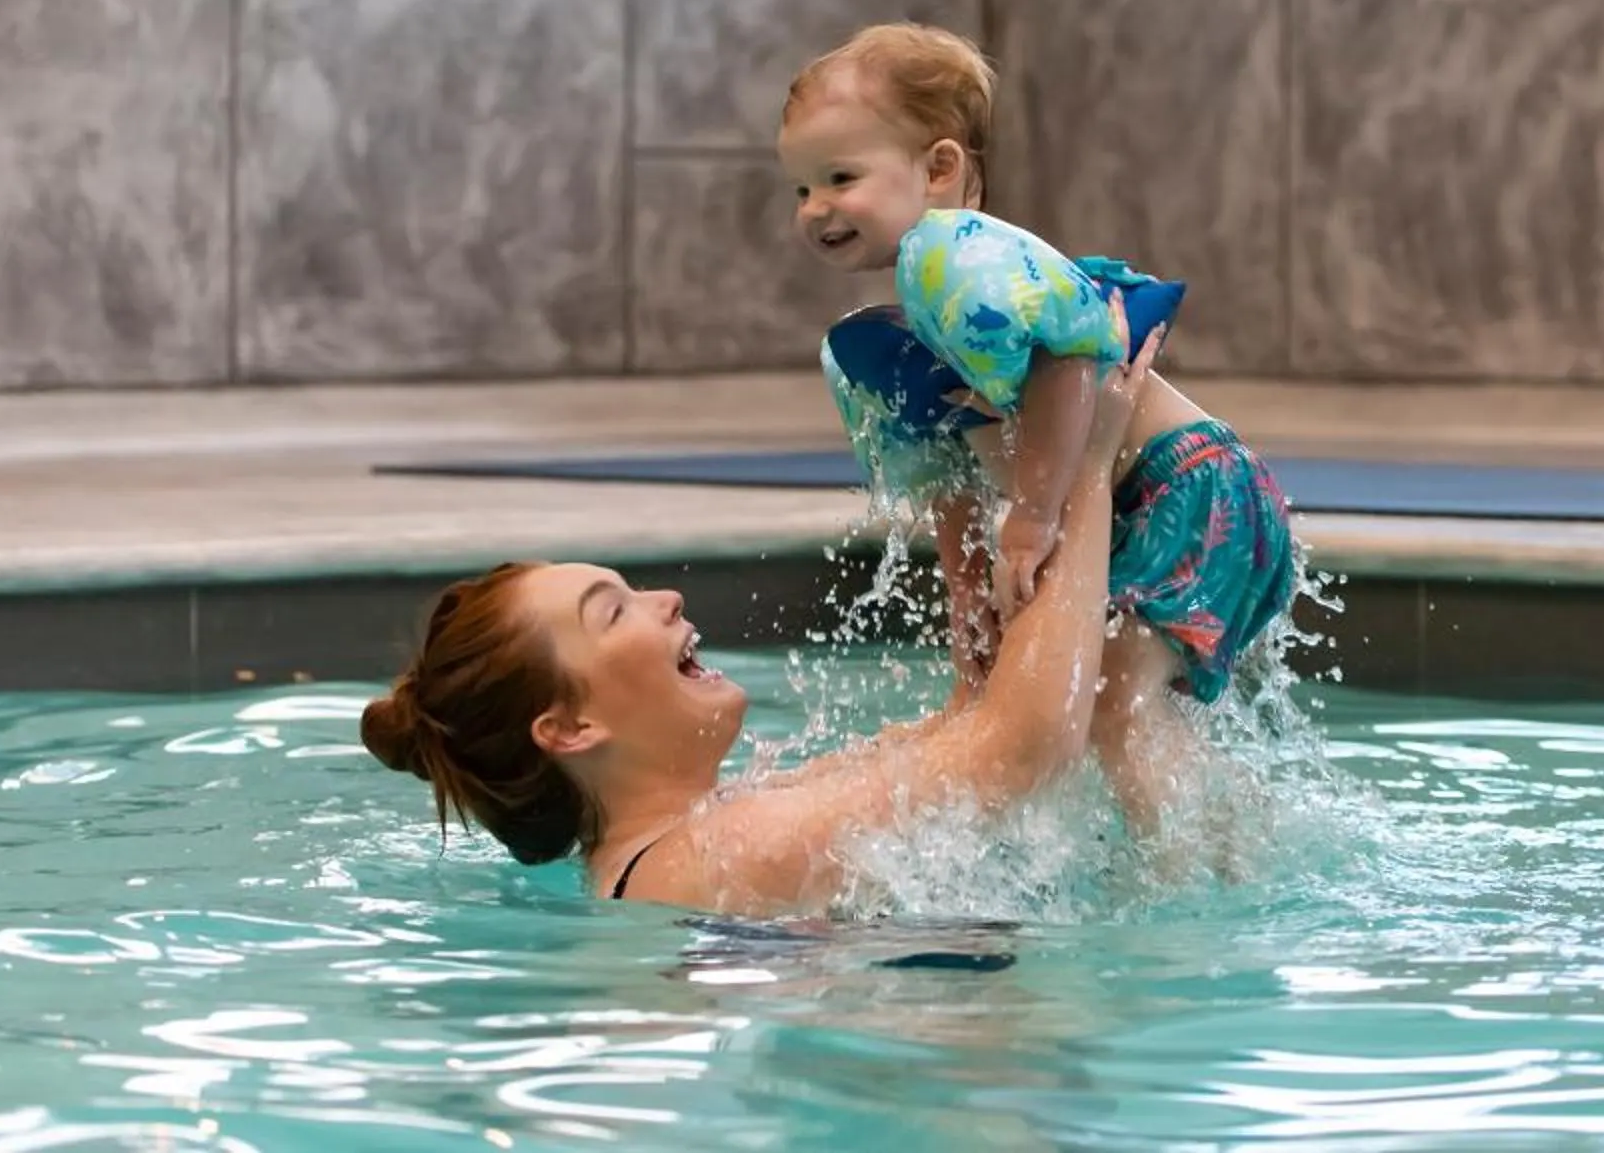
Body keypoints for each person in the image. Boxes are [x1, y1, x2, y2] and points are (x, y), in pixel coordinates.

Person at [359, 327, 1161, 914]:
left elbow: (974, 723)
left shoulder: (699, 838)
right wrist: (1084, 465)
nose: (665, 600)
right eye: (615, 612)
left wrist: (948, 486)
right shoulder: (711, 858)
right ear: (569, 728)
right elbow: (1025, 749)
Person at [774, 23, 1299, 844]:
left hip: (1192, 484)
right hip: (1164, 493)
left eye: (840, 177)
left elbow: (1069, 364)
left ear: (939, 168)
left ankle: (1189, 891)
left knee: (1112, 697)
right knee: (1107, 704)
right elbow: (949, 488)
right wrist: (970, 667)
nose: (816, 209)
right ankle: (1232, 844)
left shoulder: (958, 259)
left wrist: (1036, 513)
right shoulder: (899, 330)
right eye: (801, 189)